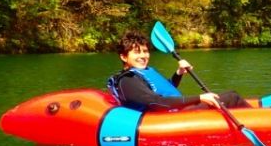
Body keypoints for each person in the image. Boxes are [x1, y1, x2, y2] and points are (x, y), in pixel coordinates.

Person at [107, 31, 250, 111]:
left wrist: (179, 73)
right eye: (137, 53)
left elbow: (164, 89)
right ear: (124, 56)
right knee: (232, 97)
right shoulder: (128, 80)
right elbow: (156, 102)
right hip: (169, 118)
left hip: (175, 111)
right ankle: (264, 123)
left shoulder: (145, 71)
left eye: (145, 51)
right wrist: (199, 98)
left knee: (230, 95)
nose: (143, 56)